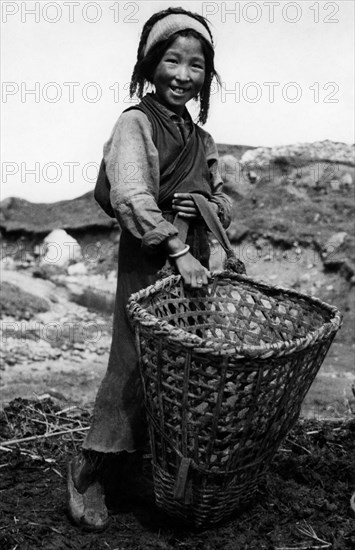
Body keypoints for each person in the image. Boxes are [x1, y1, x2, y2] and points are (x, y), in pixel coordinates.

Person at [67, 6, 233, 531]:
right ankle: (88, 471)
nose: (183, 75)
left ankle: (147, 474)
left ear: (208, 75)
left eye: (196, 66)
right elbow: (131, 193)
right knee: (135, 364)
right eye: (172, 60)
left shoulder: (202, 139)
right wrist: (176, 249)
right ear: (148, 65)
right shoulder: (135, 123)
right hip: (151, 259)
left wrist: (203, 208)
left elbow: (222, 203)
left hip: (196, 267)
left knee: (180, 373)